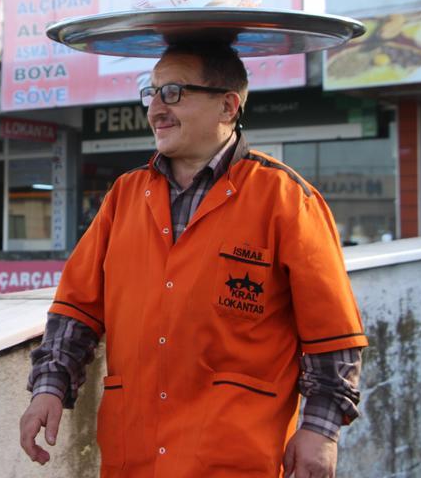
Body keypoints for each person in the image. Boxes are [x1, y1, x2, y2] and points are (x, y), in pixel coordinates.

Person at [19, 45, 368, 478]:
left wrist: (320, 429)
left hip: (237, 458)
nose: (155, 109)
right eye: (151, 92)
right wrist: (49, 387)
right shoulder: (125, 196)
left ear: (228, 106)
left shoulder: (286, 199)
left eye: (173, 92)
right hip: (134, 457)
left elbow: (332, 334)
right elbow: (77, 309)